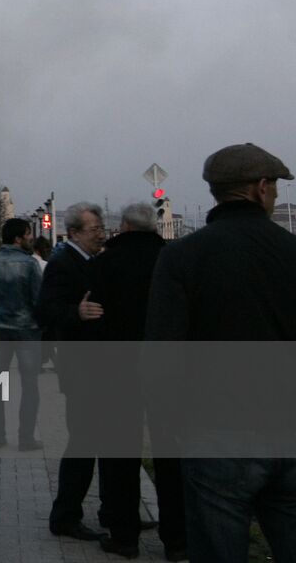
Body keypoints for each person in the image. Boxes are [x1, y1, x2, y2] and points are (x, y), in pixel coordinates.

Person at [146, 143, 296, 563]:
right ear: (259, 188)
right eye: (273, 187)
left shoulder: (180, 257)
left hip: (215, 431)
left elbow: (162, 354)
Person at [87, 202, 185, 559]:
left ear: (124, 227)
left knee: (119, 453)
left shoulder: (106, 262)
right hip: (167, 369)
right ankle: (177, 540)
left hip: (118, 369)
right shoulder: (172, 258)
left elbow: (94, 314)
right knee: (170, 453)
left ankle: (125, 536)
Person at [37, 201, 110, 542]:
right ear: (75, 233)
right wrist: (75, 313)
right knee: (82, 441)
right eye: (95, 230)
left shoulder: (92, 260)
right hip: (79, 367)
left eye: (102, 229)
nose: (101, 235)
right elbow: (46, 310)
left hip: (97, 365)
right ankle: (65, 515)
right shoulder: (62, 263)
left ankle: (109, 509)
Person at [0, 217, 43, 450]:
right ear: (18, 238)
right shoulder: (29, 264)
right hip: (26, 330)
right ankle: (26, 437)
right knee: (30, 385)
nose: (31, 238)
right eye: (28, 233)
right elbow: (38, 299)